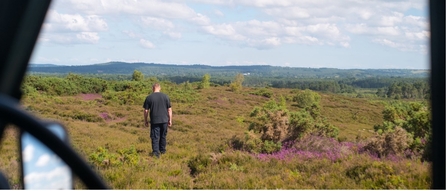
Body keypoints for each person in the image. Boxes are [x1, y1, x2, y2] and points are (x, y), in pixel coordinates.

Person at [143, 83, 172, 158]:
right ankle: (163, 151)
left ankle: (156, 153)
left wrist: (145, 120)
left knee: (155, 137)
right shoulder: (166, 97)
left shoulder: (149, 97)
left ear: (153, 88)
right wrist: (170, 120)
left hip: (155, 120)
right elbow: (169, 110)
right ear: (160, 88)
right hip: (164, 120)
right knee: (163, 136)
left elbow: (146, 111)